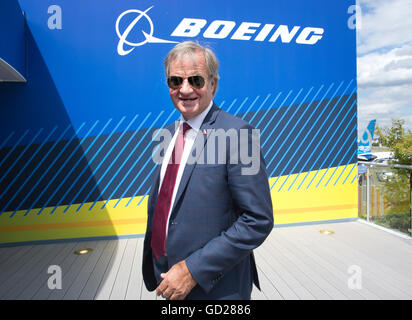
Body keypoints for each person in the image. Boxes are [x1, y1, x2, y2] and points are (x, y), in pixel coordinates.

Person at [142, 41, 273, 300]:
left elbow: (257, 220)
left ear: (213, 84)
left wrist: (192, 270)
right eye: (176, 80)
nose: (185, 89)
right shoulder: (168, 134)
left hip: (214, 290)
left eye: (196, 80)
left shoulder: (238, 134)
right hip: (166, 281)